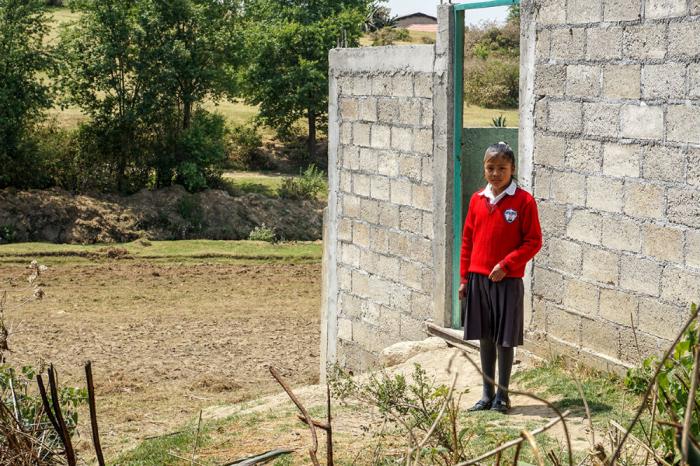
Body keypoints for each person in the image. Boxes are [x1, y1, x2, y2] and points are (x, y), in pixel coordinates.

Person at [459, 142, 542, 414]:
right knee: (485, 337)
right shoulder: (477, 200)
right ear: (484, 169)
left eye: (502, 168)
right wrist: (464, 279)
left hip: (507, 281)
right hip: (478, 279)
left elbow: (533, 241)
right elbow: (468, 240)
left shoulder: (523, 201)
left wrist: (507, 265)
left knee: (504, 339)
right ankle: (486, 394)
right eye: (490, 168)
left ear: (512, 169)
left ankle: (503, 397)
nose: (496, 174)